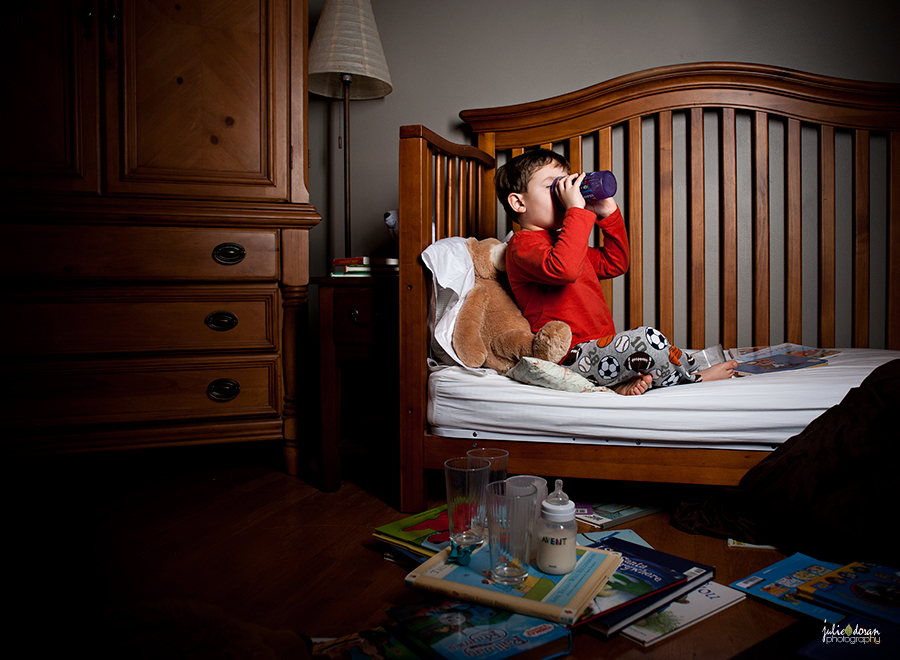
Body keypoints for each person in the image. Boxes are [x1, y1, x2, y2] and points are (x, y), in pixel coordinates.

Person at [497, 149, 736, 395]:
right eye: (552, 187)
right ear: (519, 202)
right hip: (568, 356)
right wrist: (576, 211)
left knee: (650, 344)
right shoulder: (521, 246)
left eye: (565, 185)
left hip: (599, 348)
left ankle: (623, 381)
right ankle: (693, 377)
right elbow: (564, 269)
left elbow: (614, 262)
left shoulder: (564, 242)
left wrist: (609, 215)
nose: (563, 194)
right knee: (646, 339)